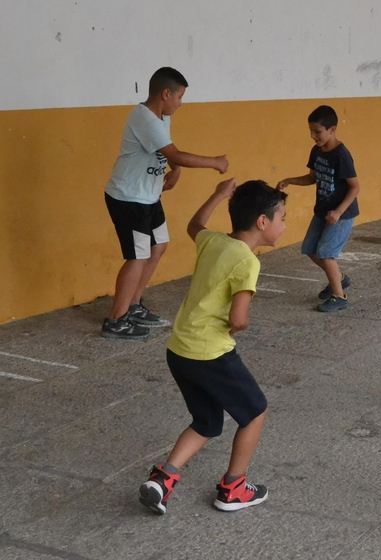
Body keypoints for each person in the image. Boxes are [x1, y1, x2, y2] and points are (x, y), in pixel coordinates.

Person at [138, 178, 286, 514]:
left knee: (206, 421)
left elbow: (195, 225)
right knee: (255, 412)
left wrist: (217, 194)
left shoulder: (212, 241)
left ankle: (162, 480)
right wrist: (241, 326)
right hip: (210, 354)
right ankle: (234, 487)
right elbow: (238, 318)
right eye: (283, 218)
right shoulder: (248, 261)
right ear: (263, 222)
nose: (284, 225)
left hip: (179, 350)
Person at [102, 67, 229, 340]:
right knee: (137, 256)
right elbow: (177, 154)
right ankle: (116, 320)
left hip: (149, 196)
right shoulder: (143, 118)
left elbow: (167, 148)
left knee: (158, 245)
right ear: (166, 93)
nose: (181, 103)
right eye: (180, 96)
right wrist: (215, 163)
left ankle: (133, 306)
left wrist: (176, 169)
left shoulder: (161, 116)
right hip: (129, 198)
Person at [277, 105, 360, 312]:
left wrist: (339, 211)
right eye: (311, 131)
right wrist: (290, 180)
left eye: (317, 132)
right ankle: (339, 278)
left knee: (326, 253)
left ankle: (339, 296)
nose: (313, 136)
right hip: (322, 210)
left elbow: (355, 186)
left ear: (332, 130)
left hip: (341, 214)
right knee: (310, 249)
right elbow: (312, 178)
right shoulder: (317, 151)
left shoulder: (341, 155)